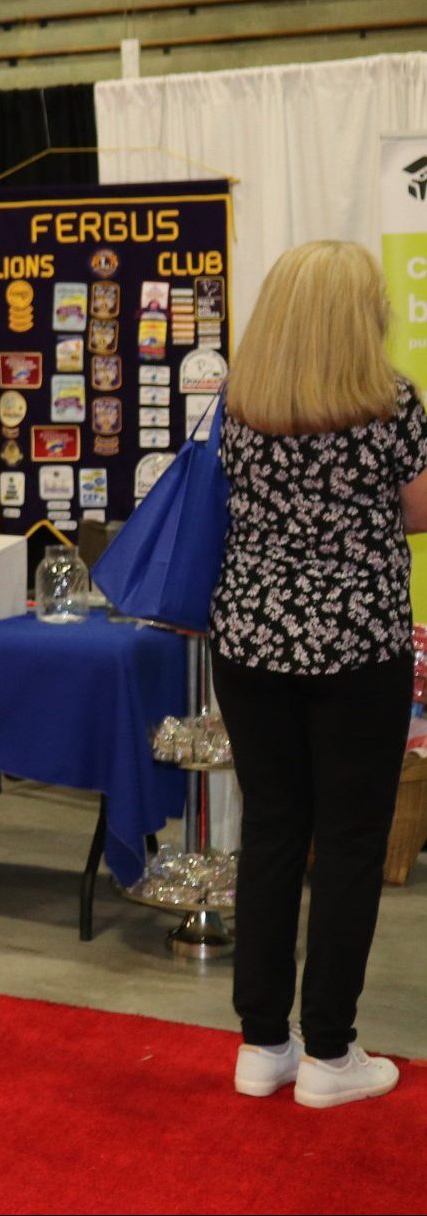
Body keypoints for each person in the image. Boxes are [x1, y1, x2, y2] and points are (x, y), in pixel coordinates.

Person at [215, 240, 426, 1110]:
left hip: (248, 642)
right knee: (347, 842)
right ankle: (330, 1054)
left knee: (270, 831)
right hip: (356, 647)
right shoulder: (391, 403)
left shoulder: (242, 400)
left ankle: (262, 1043)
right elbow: (421, 513)